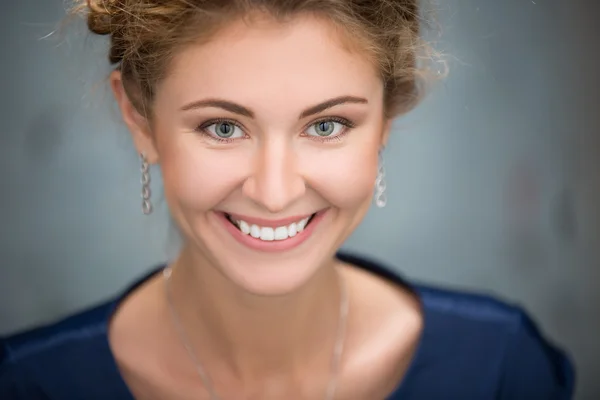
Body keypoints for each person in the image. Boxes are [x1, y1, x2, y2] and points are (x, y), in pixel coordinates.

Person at [0, 0, 575, 399]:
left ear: (385, 124)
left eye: (326, 126)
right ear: (139, 119)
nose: (274, 193)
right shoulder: (27, 385)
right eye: (223, 128)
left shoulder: (498, 367)